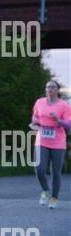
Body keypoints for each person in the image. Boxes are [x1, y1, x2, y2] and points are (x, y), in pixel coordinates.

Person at [29, 80, 71, 209]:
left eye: (52, 87)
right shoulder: (39, 102)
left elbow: (69, 125)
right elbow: (35, 117)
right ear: (45, 89)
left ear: (57, 90)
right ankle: (46, 190)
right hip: (42, 139)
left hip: (58, 142)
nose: (50, 89)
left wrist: (58, 120)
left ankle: (54, 198)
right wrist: (34, 123)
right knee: (39, 168)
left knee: (55, 172)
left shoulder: (64, 105)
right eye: (48, 87)